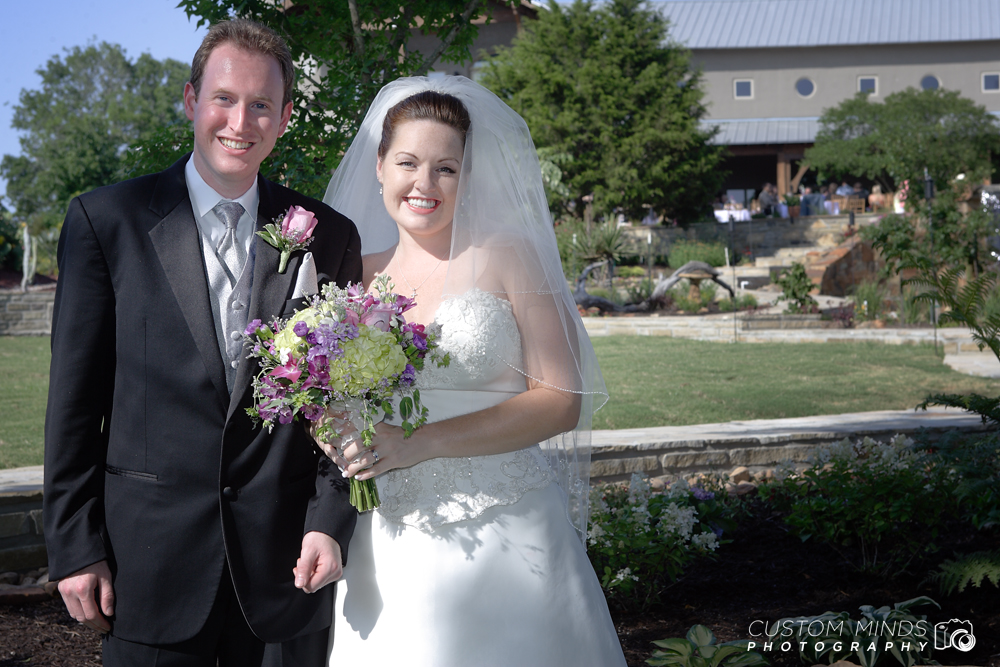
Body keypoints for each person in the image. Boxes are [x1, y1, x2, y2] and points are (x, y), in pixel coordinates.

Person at [43, 19, 361, 666]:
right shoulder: (106, 223)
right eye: (223, 98)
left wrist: (330, 518)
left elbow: (345, 400)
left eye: (261, 104)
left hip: (283, 568)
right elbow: (73, 404)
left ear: (284, 116)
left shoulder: (326, 236)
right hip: (148, 567)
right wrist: (75, 545)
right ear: (192, 101)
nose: (239, 121)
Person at [321, 77, 626, 666]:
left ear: (468, 176)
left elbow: (562, 398)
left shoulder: (509, 254)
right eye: (408, 162)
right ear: (379, 167)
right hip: (386, 538)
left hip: (507, 533)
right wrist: (336, 433)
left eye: (447, 168)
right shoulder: (353, 274)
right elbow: (323, 395)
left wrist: (423, 442)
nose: (425, 184)